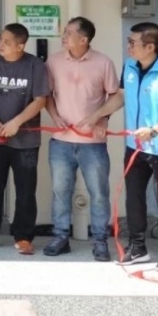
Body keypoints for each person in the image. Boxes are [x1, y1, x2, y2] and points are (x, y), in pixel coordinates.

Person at [85, 22, 158, 271]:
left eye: (133, 43)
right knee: (133, 197)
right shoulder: (130, 66)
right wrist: (98, 115)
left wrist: (154, 130)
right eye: (128, 41)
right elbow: (121, 96)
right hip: (135, 146)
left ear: (150, 47)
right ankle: (137, 247)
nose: (129, 47)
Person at [43, 16, 120, 261]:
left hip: (93, 144)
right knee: (60, 191)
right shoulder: (54, 61)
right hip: (61, 141)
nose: (64, 36)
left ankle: (100, 241)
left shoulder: (103, 63)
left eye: (69, 33)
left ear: (84, 39)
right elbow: (47, 95)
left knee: (99, 193)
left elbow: (115, 97)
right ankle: (60, 237)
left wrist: (101, 119)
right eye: (65, 32)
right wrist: (54, 116)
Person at [0, 24, 50, 255]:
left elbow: (40, 100)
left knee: (25, 190)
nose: (1, 44)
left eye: (7, 41)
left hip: (26, 140)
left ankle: (24, 237)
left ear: (20, 46)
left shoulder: (35, 65)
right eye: (0, 39)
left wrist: (16, 122)